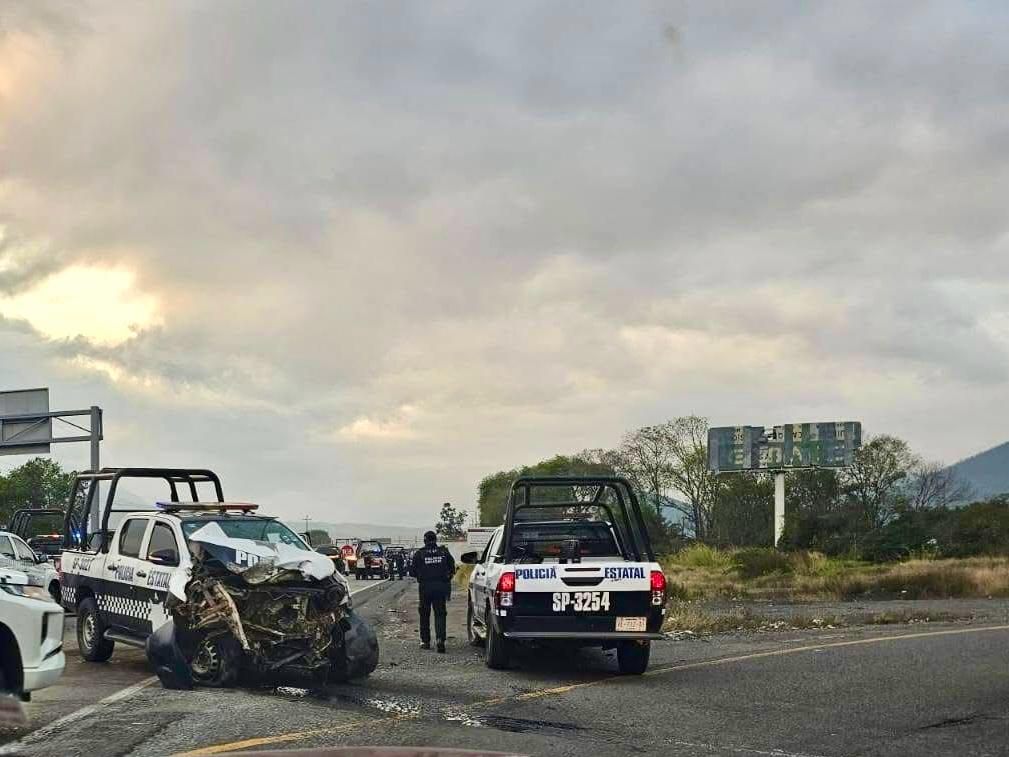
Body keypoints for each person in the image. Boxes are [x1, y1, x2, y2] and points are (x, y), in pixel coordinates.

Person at [409, 531, 455, 653]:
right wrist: (446, 579)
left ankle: (425, 641)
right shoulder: (444, 552)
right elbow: (452, 568)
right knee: (440, 613)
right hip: (440, 586)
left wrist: (421, 574)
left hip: (425, 587)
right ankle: (440, 639)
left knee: (424, 614)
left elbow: (412, 572)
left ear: (425, 540)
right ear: (435, 540)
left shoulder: (420, 553)